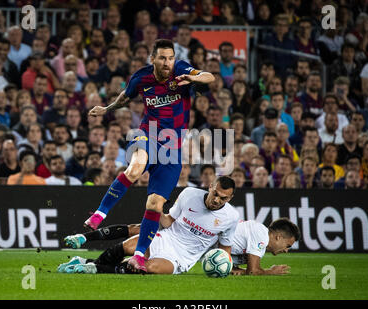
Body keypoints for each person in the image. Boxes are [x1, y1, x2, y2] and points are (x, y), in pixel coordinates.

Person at [84, 39, 215, 272]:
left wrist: (193, 78)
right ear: (152, 59)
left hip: (172, 148)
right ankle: (99, 214)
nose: (167, 63)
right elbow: (125, 96)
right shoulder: (141, 78)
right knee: (135, 168)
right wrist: (106, 109)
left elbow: (209, 77)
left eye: (170, 58)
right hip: (148, 134)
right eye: (162, 58)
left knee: (155, 204)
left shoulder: (182, 70)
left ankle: (138, 256)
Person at [59, 177, 240, 275]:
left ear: (230, 199)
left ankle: (91, 267)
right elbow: (169, 221)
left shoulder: (231, 217)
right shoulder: (190, 194)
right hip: (167, 237)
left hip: (183, 258)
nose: (216, 200)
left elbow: (225, 249)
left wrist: (228, 266)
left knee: (149, 267)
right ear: (210, 187)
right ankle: (87, 263)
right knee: (129, 245)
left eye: (223, 198)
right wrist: (157, 209)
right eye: (215, 193)